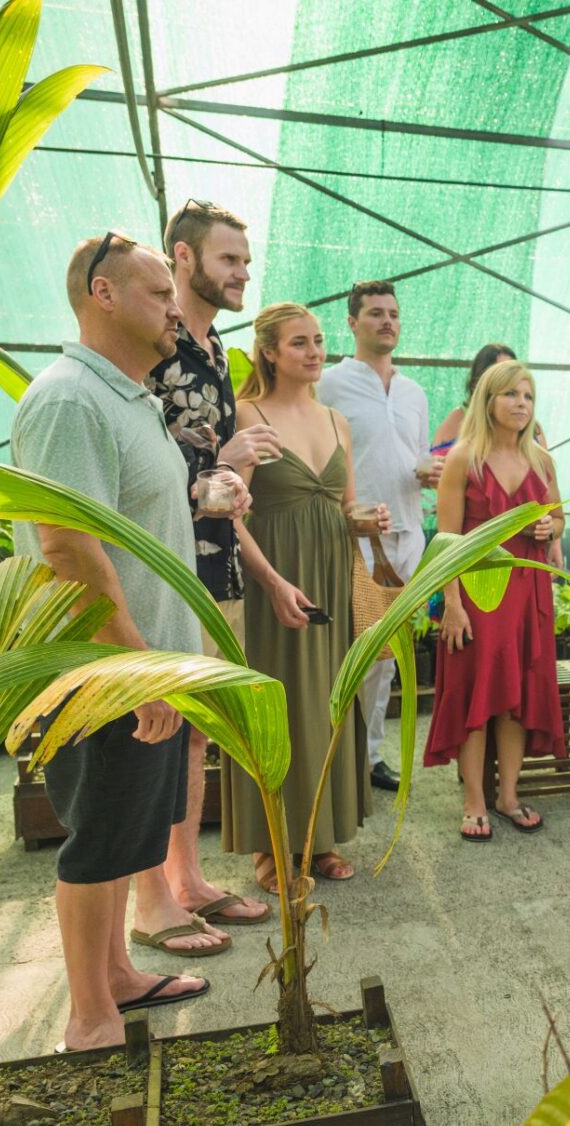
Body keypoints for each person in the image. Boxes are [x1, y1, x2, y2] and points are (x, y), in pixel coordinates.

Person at [12, 232, 215, 1050]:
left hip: (144, 664)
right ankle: (89, 1019)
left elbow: (127, 519)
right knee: (98, 841)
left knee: (127, 831)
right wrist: (136, 670)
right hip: (105, 676)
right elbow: (66, 548)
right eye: (161, 292)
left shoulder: (128, 397)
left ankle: (120, 981)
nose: (176, 307)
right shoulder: (70, 400)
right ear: (103, 294)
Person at [134, 198, 274, 957]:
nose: (241, 273)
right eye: (229, 260)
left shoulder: (219, 352)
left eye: (245, 262)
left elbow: (205, 465)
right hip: (162, 564)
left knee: (193, 735)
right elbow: (145, 464)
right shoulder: (151, 346)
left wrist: (230, 473)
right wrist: (222, 469)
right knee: (158, 729)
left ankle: (187, 881)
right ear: (182, 258)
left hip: (215, 560)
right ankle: (151, 895)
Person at [223, 303, 382, 890]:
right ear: (269, 352)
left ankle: (318, 838)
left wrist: (370, 520)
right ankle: (270, 850)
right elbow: (230, 514)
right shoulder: (248, 414)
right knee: (281, 703)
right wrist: (269, 580)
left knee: (327, 701)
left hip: (330, 577)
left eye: (318, 341)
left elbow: (345, 508)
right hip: (273, 581)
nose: (315, 352)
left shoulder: (338, 420)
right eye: (299, 343)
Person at [426, 359, 567, 840]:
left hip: (528, 596)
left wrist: (551, 528)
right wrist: (453, 603)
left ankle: (508, 795)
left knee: (515, 699)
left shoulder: (542, 460)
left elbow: (559, 520)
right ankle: (473, 800)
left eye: (527, 396)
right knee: (476, 698)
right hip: (477, 596)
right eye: (510, 394)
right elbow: (446, 540)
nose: (520, 404)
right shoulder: (465, 457)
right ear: (488, 400)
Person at [319, 279, 438, 793]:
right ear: (351, 323)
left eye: (392, 313)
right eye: (374, 313)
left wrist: (426, 469)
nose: (387, 321)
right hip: (351, 540)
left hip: (406, 536)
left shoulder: (414, 392)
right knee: (347, 650)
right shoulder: (328, 384)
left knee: (388, 657)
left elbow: (418, 452)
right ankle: (333, 754)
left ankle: (369, 757)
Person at [433, 343, 519, 451]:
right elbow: (432, 462)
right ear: (481, 377)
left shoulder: (526, 423)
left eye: (511, 371)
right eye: (498, 372)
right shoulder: (459, 418)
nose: (506, 378)